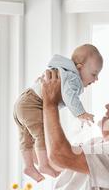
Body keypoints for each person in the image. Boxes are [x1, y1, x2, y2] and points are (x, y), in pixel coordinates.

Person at [13, 44, 103, 182]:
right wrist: (81, 113)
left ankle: (29, 166)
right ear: (79, 68)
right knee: (41, 135)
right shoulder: (73, 77)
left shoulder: (61, 71)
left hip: (22, 102)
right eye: (94, 74)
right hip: (33, 104)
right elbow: (69, 95)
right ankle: (43, 165)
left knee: (26, 138)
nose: (96, 79)